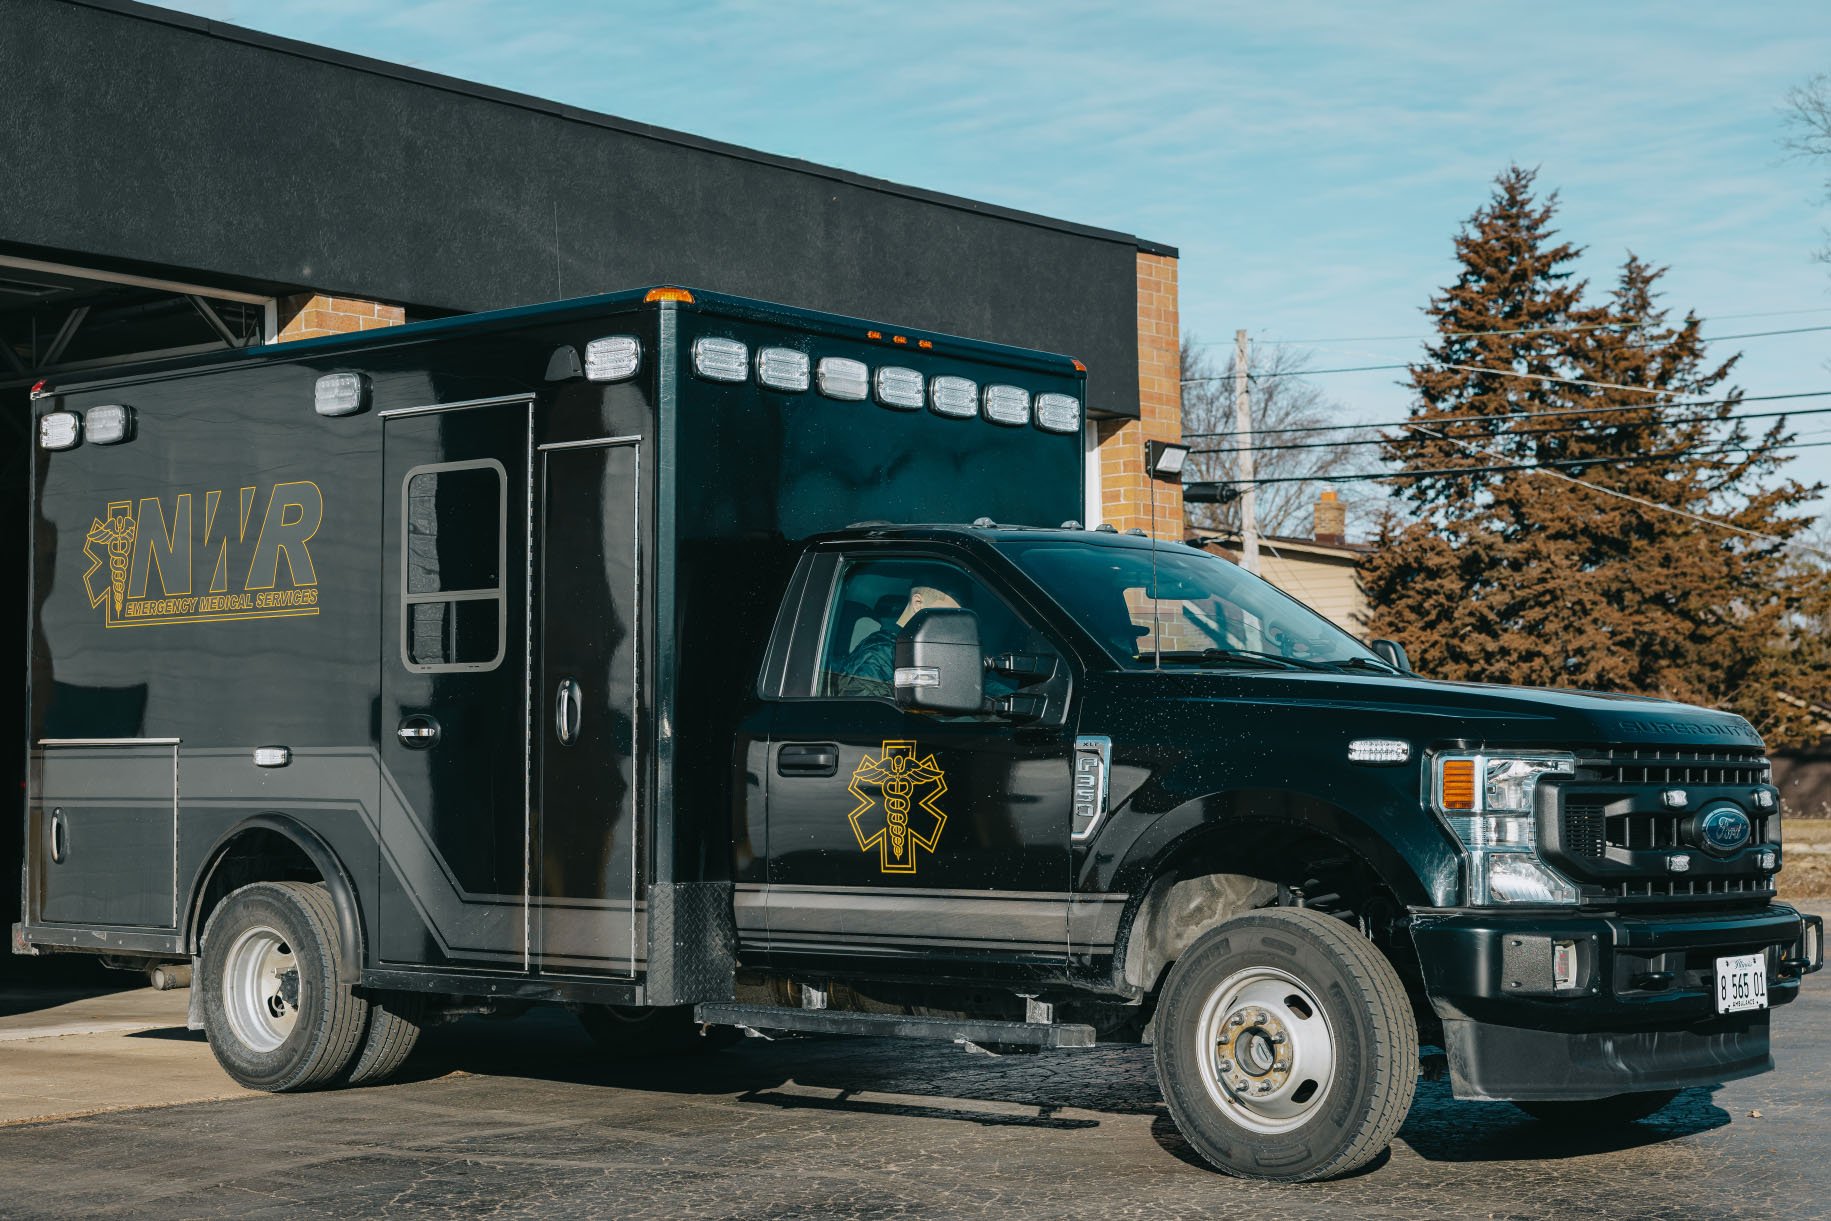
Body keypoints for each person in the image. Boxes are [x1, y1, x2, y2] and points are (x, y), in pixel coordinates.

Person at [828, 583, 960, 698]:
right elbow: (869, 717)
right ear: (918, 604)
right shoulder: (879, 653)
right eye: (947, 615)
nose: (952, 627)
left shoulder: (919, 650)